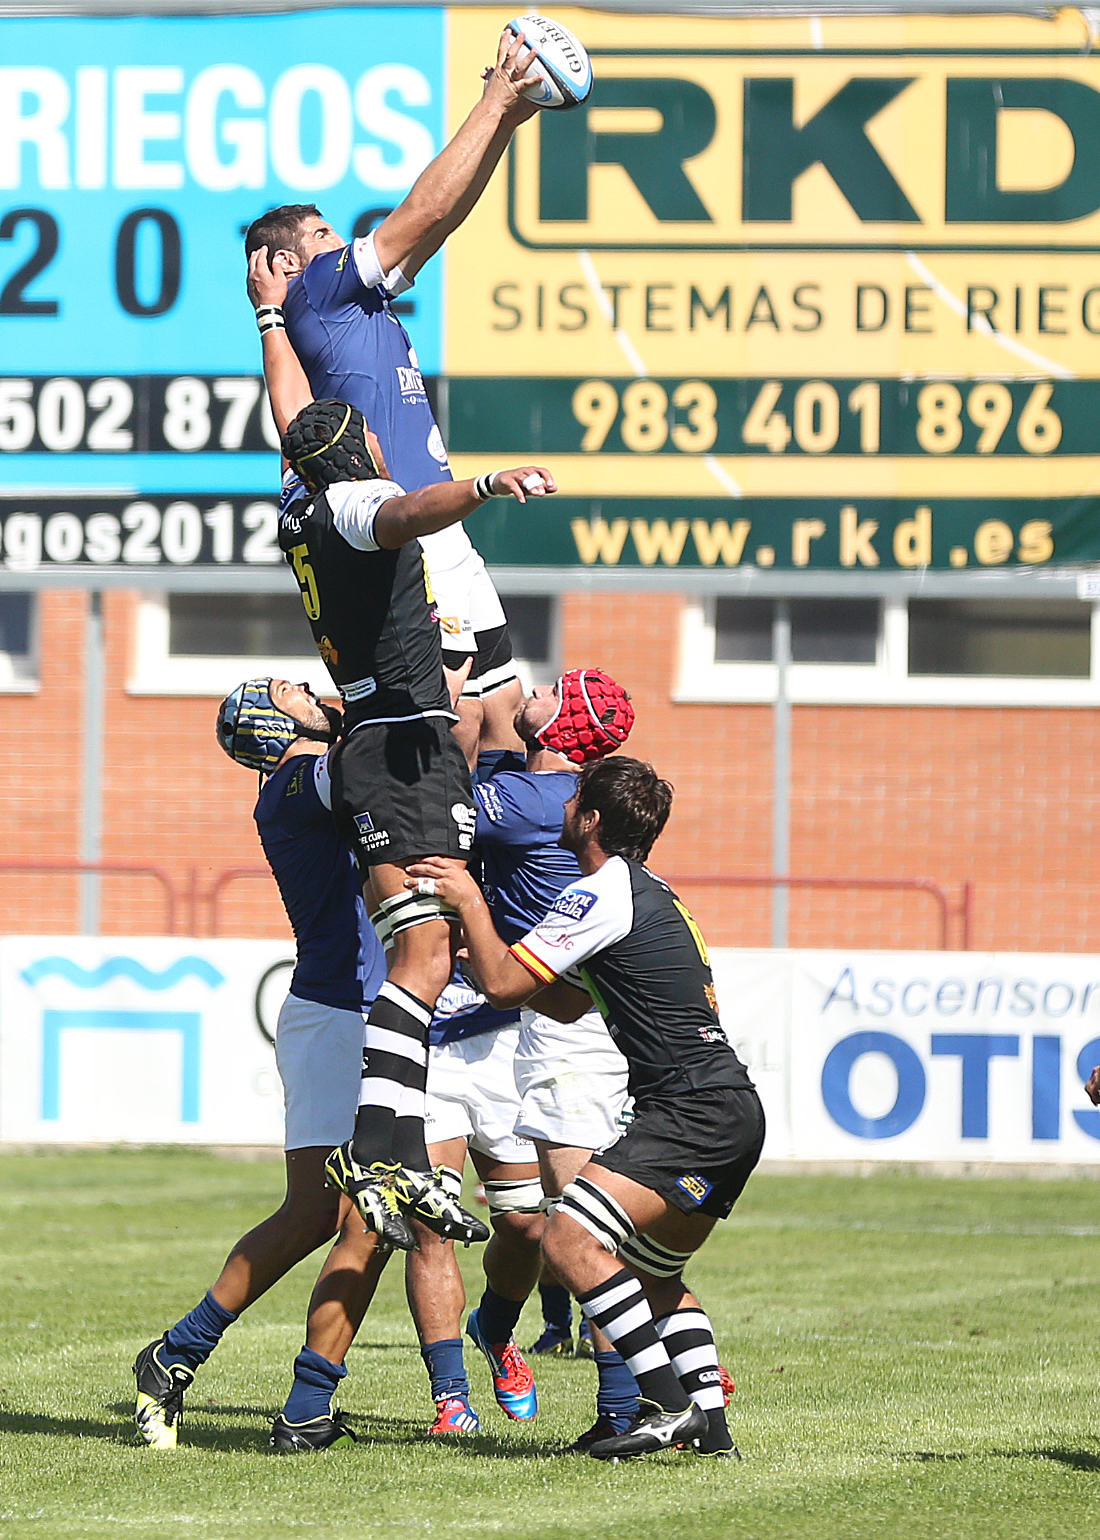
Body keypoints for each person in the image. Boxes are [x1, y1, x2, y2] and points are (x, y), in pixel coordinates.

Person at [405, 756, 767, 1461]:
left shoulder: (599, 891)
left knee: (569, 1241)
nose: (563, 808)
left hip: (688, 1109)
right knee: (655, 1275)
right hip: (729, 1108)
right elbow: (564, 999)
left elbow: (511, 985)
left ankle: (664, 1407)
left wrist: (471, 904)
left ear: (591, 820)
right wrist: (484, 964)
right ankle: (714, 1436)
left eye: (574, 800)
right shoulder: (648, 889)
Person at [276, 395, 555, 1244]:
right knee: (426, 958)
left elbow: (298, 428)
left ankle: (395, 1153)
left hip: (390, 739)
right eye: (366, 431)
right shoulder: (355, 503)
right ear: (354, 446)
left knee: (429, 953)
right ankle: (376, 1151)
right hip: (404, 752)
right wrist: (483, 483)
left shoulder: (301, 502)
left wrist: (275, 321)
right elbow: (401, 511)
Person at [244, 27, 540, 763]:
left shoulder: (343, 305)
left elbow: (443, 219)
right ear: (288, 259)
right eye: (321, 232)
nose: (338, 240)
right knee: (441, 720)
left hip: (436, 518)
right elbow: (421, 210)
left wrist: (505, 125)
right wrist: (494, 98)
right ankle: (417, 860)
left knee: (502, 711)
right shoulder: (319, 285)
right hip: (409, 517)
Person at [134, 679, 393, 1453]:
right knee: (335, 1213)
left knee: (360, 1216)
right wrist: (346, 713)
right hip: (335, 1016)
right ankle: (199, 1363)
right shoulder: (289, 785)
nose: (311, 691)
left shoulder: (303, 785)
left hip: (358, 1014)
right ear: (269, 724)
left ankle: (282, 1396)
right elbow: (366, 768)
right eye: (294, 692)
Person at [403, 670, 637, 1440]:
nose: (530, 685)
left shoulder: (540, 800)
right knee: (430, 1221)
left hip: (532, 1020)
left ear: (565, 719)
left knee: (546, 1228)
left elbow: (440, 801)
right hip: (466, 1018)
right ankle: (453, 1402)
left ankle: (523, 1342)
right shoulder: (528, 782)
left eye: (552, 686)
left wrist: (439, 693)